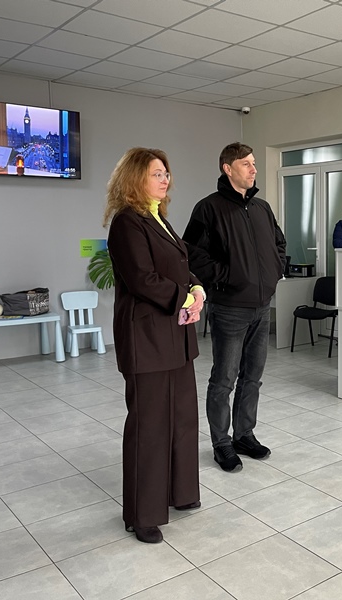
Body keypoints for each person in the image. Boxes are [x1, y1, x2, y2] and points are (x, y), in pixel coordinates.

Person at [105, 147, 205, 543]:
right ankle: (142, 514)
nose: (165, 180)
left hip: (176, 336)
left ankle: (181, 492)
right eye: (156, 174)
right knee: (149, 426)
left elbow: (178, 266)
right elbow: (142, 279)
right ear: (135, 178)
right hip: (146, 339)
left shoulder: (158, 217)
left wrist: (196, 286)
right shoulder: (127, 222)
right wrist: (185, 296)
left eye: (166, 173)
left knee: (182, 418)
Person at [182, 142, 286, 473]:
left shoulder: (262, 208)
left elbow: (279, 244)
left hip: (261, 306)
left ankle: (244, 435)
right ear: (228, 168)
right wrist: (227, 276)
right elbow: (192, 253)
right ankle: (221, 443)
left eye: (254, 163)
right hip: (229, 307)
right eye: (246, 164)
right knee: (224, 379)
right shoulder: (208, 209)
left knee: (252, 377)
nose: (254, 169)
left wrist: (275, 271)